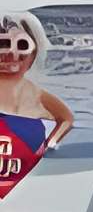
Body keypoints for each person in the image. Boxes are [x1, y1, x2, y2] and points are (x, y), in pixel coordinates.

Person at [0, 11, 74, 194]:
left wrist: (50, 145)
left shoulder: (38, 96)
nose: (11, 53)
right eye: (3, 44)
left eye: (22, 45)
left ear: (34, 52)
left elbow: (66, 119)